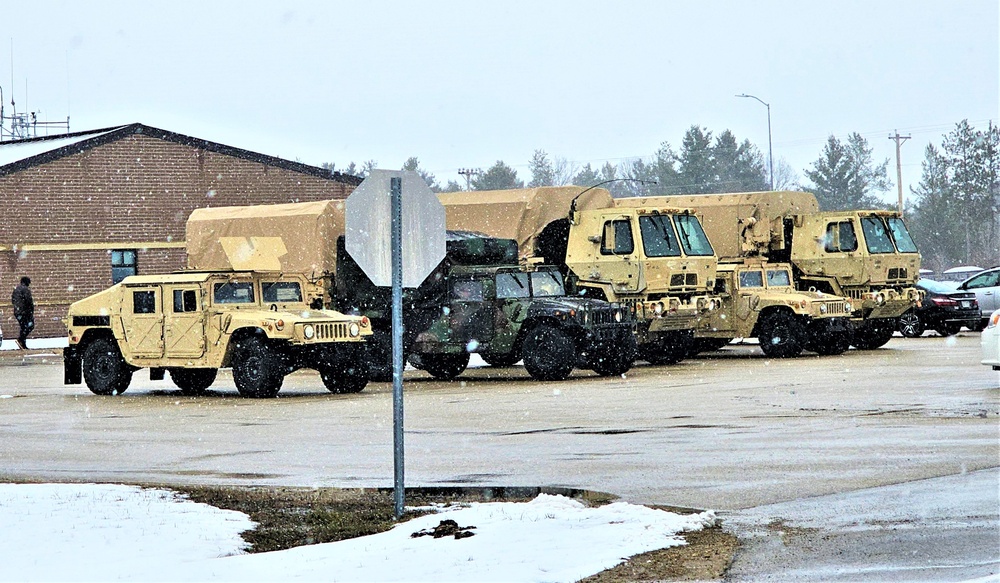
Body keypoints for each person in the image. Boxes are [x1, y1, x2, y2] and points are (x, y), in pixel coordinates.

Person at [11, 276, 34, 350]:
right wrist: (31, 310)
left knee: (23, 327)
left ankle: (22, 343)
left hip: (18, 312)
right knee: (30, 326)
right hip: (25, 312)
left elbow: (13, 301)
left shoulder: (16, 289)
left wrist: (17, 309)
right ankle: (21, 340)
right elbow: (29, 301)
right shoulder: (25, 289)